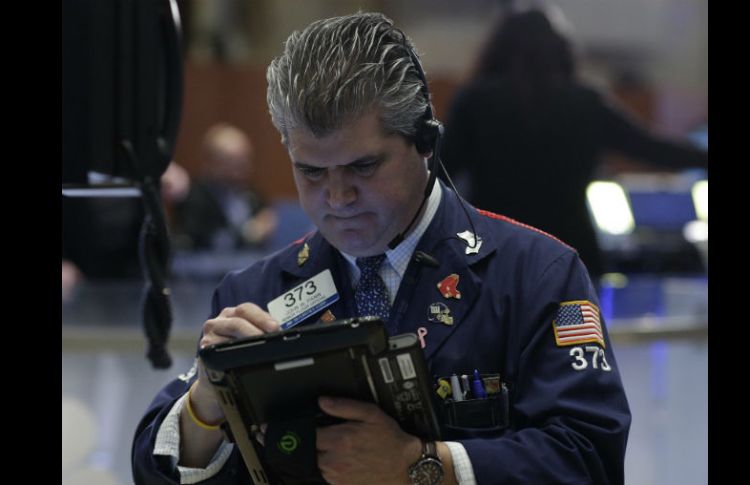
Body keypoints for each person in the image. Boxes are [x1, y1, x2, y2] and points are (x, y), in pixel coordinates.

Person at [132, 12, 631, 484]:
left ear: (426, 143)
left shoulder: (539, 275)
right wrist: (206, 407)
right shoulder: (254, 293)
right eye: (311, 172)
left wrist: (424, 466)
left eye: (363, 167)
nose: (338, 198)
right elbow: (153, 467)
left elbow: (589, 457)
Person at [440, 9, 708, 277]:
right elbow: (652, 148)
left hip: (498, 254)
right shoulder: (587, 103)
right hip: (572, 254)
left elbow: (442, 171)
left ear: (497, 50)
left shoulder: (475, 101)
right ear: (563, 51)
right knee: (576, 306)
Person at [169, 123, 277, 252]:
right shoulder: (192, 196)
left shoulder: (251, 195)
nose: (242, 167)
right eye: (232, 161)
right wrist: (247, 234)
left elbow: (264, 221)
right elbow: (200, 241)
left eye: (245, 159)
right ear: (210, 162)